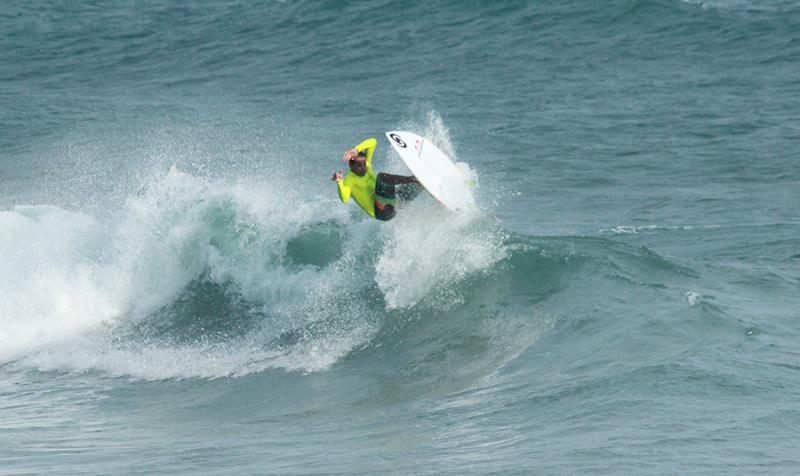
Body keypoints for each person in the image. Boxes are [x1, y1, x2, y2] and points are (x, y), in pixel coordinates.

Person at [331, 137, 420, 221]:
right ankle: (412, 179)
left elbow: (373, 142)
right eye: (359, 165)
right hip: (382, 213)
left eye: (364, 164)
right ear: (351, 165)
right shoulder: (349, 181)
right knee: (381, 177)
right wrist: (339, 182)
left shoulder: (367, 165)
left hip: (391, 205)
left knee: (412, 187)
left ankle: (421, 186)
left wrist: (356, 149)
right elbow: (345, 199)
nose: (364, 168)